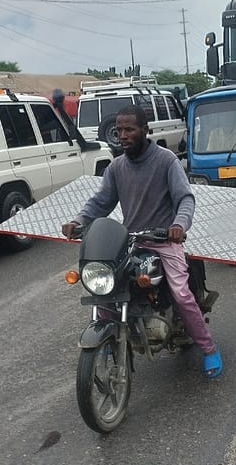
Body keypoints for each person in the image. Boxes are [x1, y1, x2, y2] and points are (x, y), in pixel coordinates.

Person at [62, 105, 223, 379]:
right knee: (106, 289)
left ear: (145, 130)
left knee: (182, 295)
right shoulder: (117, 168)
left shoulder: (166, 160)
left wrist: (178, 226)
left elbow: (185, 198)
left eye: (129, 129)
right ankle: (110, 339)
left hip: (163, 240)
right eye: (119, 130)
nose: (123, 135)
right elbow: (101, 202)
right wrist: (78, 222)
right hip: (132, 241)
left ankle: (208, 349)